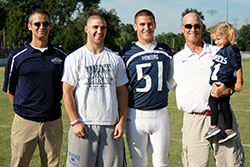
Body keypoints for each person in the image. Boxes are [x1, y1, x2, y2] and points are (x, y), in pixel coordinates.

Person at [168, 12, 245, 167]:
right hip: (194, 121)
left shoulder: (218, 50)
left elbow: (236, 80)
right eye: (188, 26)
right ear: (182, 29)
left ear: (202, 28)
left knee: (232, 164)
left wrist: (228, 90)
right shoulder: (176, 60)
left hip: (222, 117)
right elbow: (166, 89)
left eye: (197, 26)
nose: (193, 29)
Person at [62, 14, 129, 167]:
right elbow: (67, 92)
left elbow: (122, 92)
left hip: (111, 127)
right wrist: (75, 121)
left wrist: (121, 122)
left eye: (103, 27)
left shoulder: (115, 59)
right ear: (86, 29)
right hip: (84, 126)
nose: (99, 31)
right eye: (95, 27)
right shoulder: (74, 58)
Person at [2, 8, 67, 167]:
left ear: (50, 26)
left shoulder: (61, 56)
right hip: (25, 122)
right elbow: (10, 89)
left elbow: (65, 88)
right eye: (37, 23)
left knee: (52, 164)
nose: (41, 27)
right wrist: (23, 109)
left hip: (53, 122)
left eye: (45, 23)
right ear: (29, 26)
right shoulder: (17, 56)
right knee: (18, 163)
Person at [119, 9, 174, 167]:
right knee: (138, 162)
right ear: (135, 27)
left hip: (161, 114)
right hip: (135, 115)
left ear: (155, 25)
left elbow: (172, 79)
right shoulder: (126, 54)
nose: (146, 28)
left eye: (150, 24)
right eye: (142, 24)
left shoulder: (166, 51)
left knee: (162, 163)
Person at [204, 22, 243, 144]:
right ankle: (228, 130)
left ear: (227, 36)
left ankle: (213, 126)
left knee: (212, 101)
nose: (216, 42)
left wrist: (238, 82)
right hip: (220, 80)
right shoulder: (222, 50)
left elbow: (238, 67)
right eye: (215, 40)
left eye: (219, 39)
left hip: (223, 81)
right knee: (225, 106)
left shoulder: (231, 49)